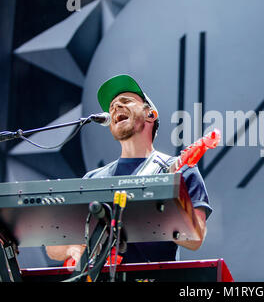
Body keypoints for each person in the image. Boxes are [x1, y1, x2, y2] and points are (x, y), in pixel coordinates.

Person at [46, 74, 212, 264]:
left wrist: (160, 206)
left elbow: (195, 238)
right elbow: (54, 246)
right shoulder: (92, 179)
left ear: (151, 114)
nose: (116, 107)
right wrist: (71, 248)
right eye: (112, 106)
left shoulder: (181, 171)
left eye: (125, 101)